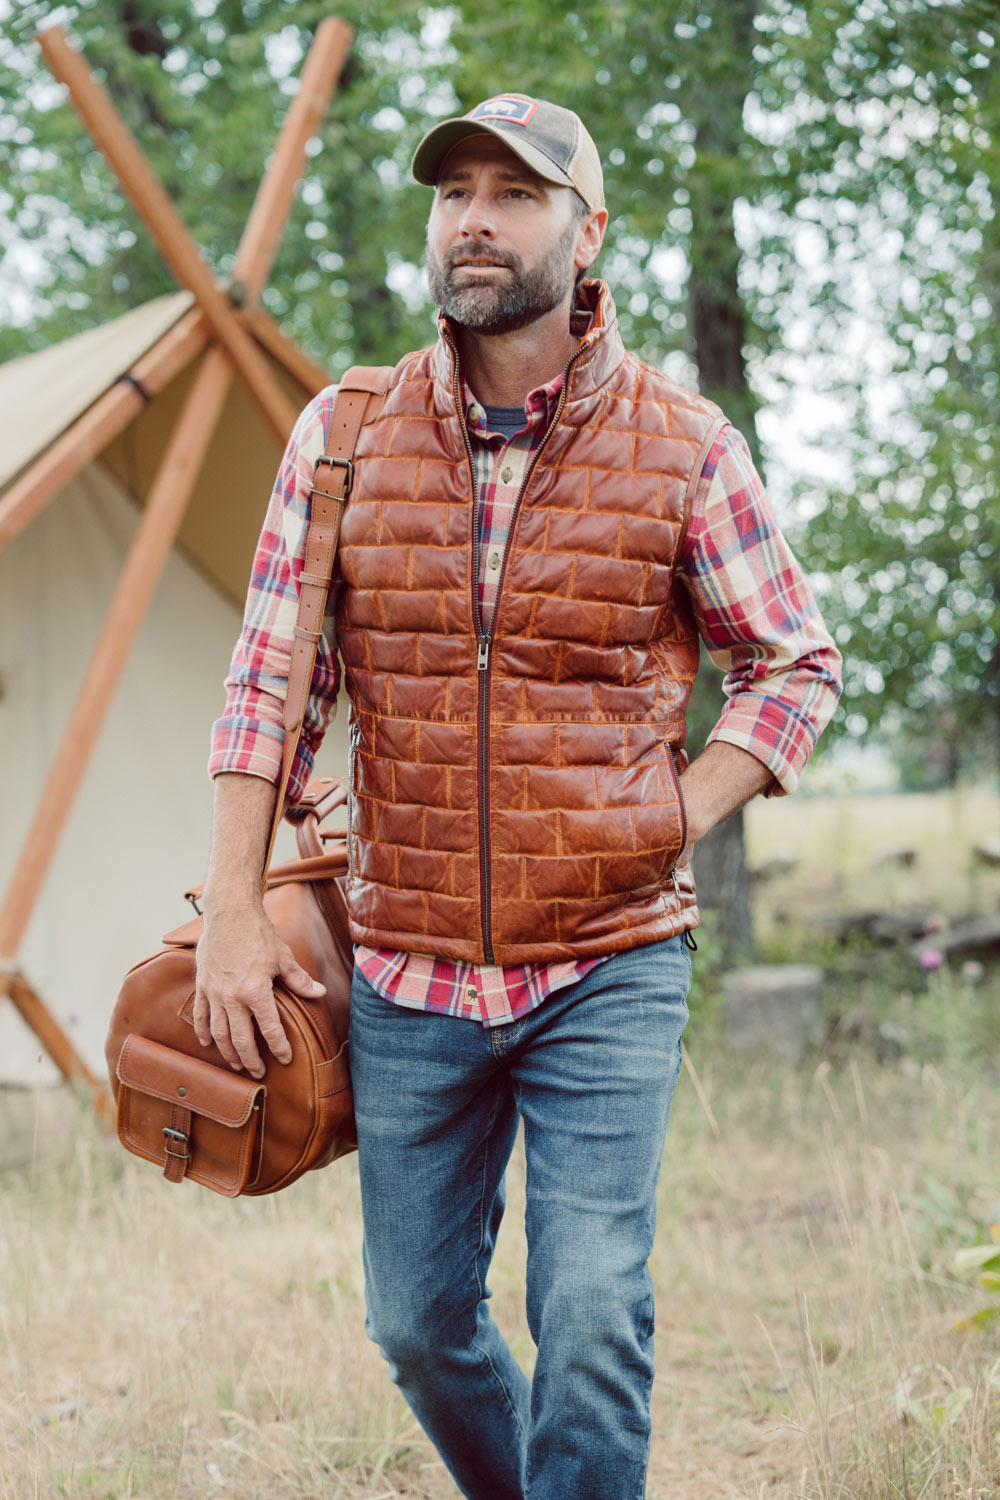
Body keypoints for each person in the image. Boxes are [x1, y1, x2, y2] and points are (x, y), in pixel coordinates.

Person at [196, 93, 842, 1500]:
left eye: (516, 193)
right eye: (454, 194)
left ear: (586, 231)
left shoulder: (682, 442)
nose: (475, 219)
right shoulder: (344, 435)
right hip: (409, 966)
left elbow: (791, 664)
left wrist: (673, 814)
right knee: (418, 1328)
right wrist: (233, 907)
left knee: (594, 1314)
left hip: (610, 963)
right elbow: (269, 686)